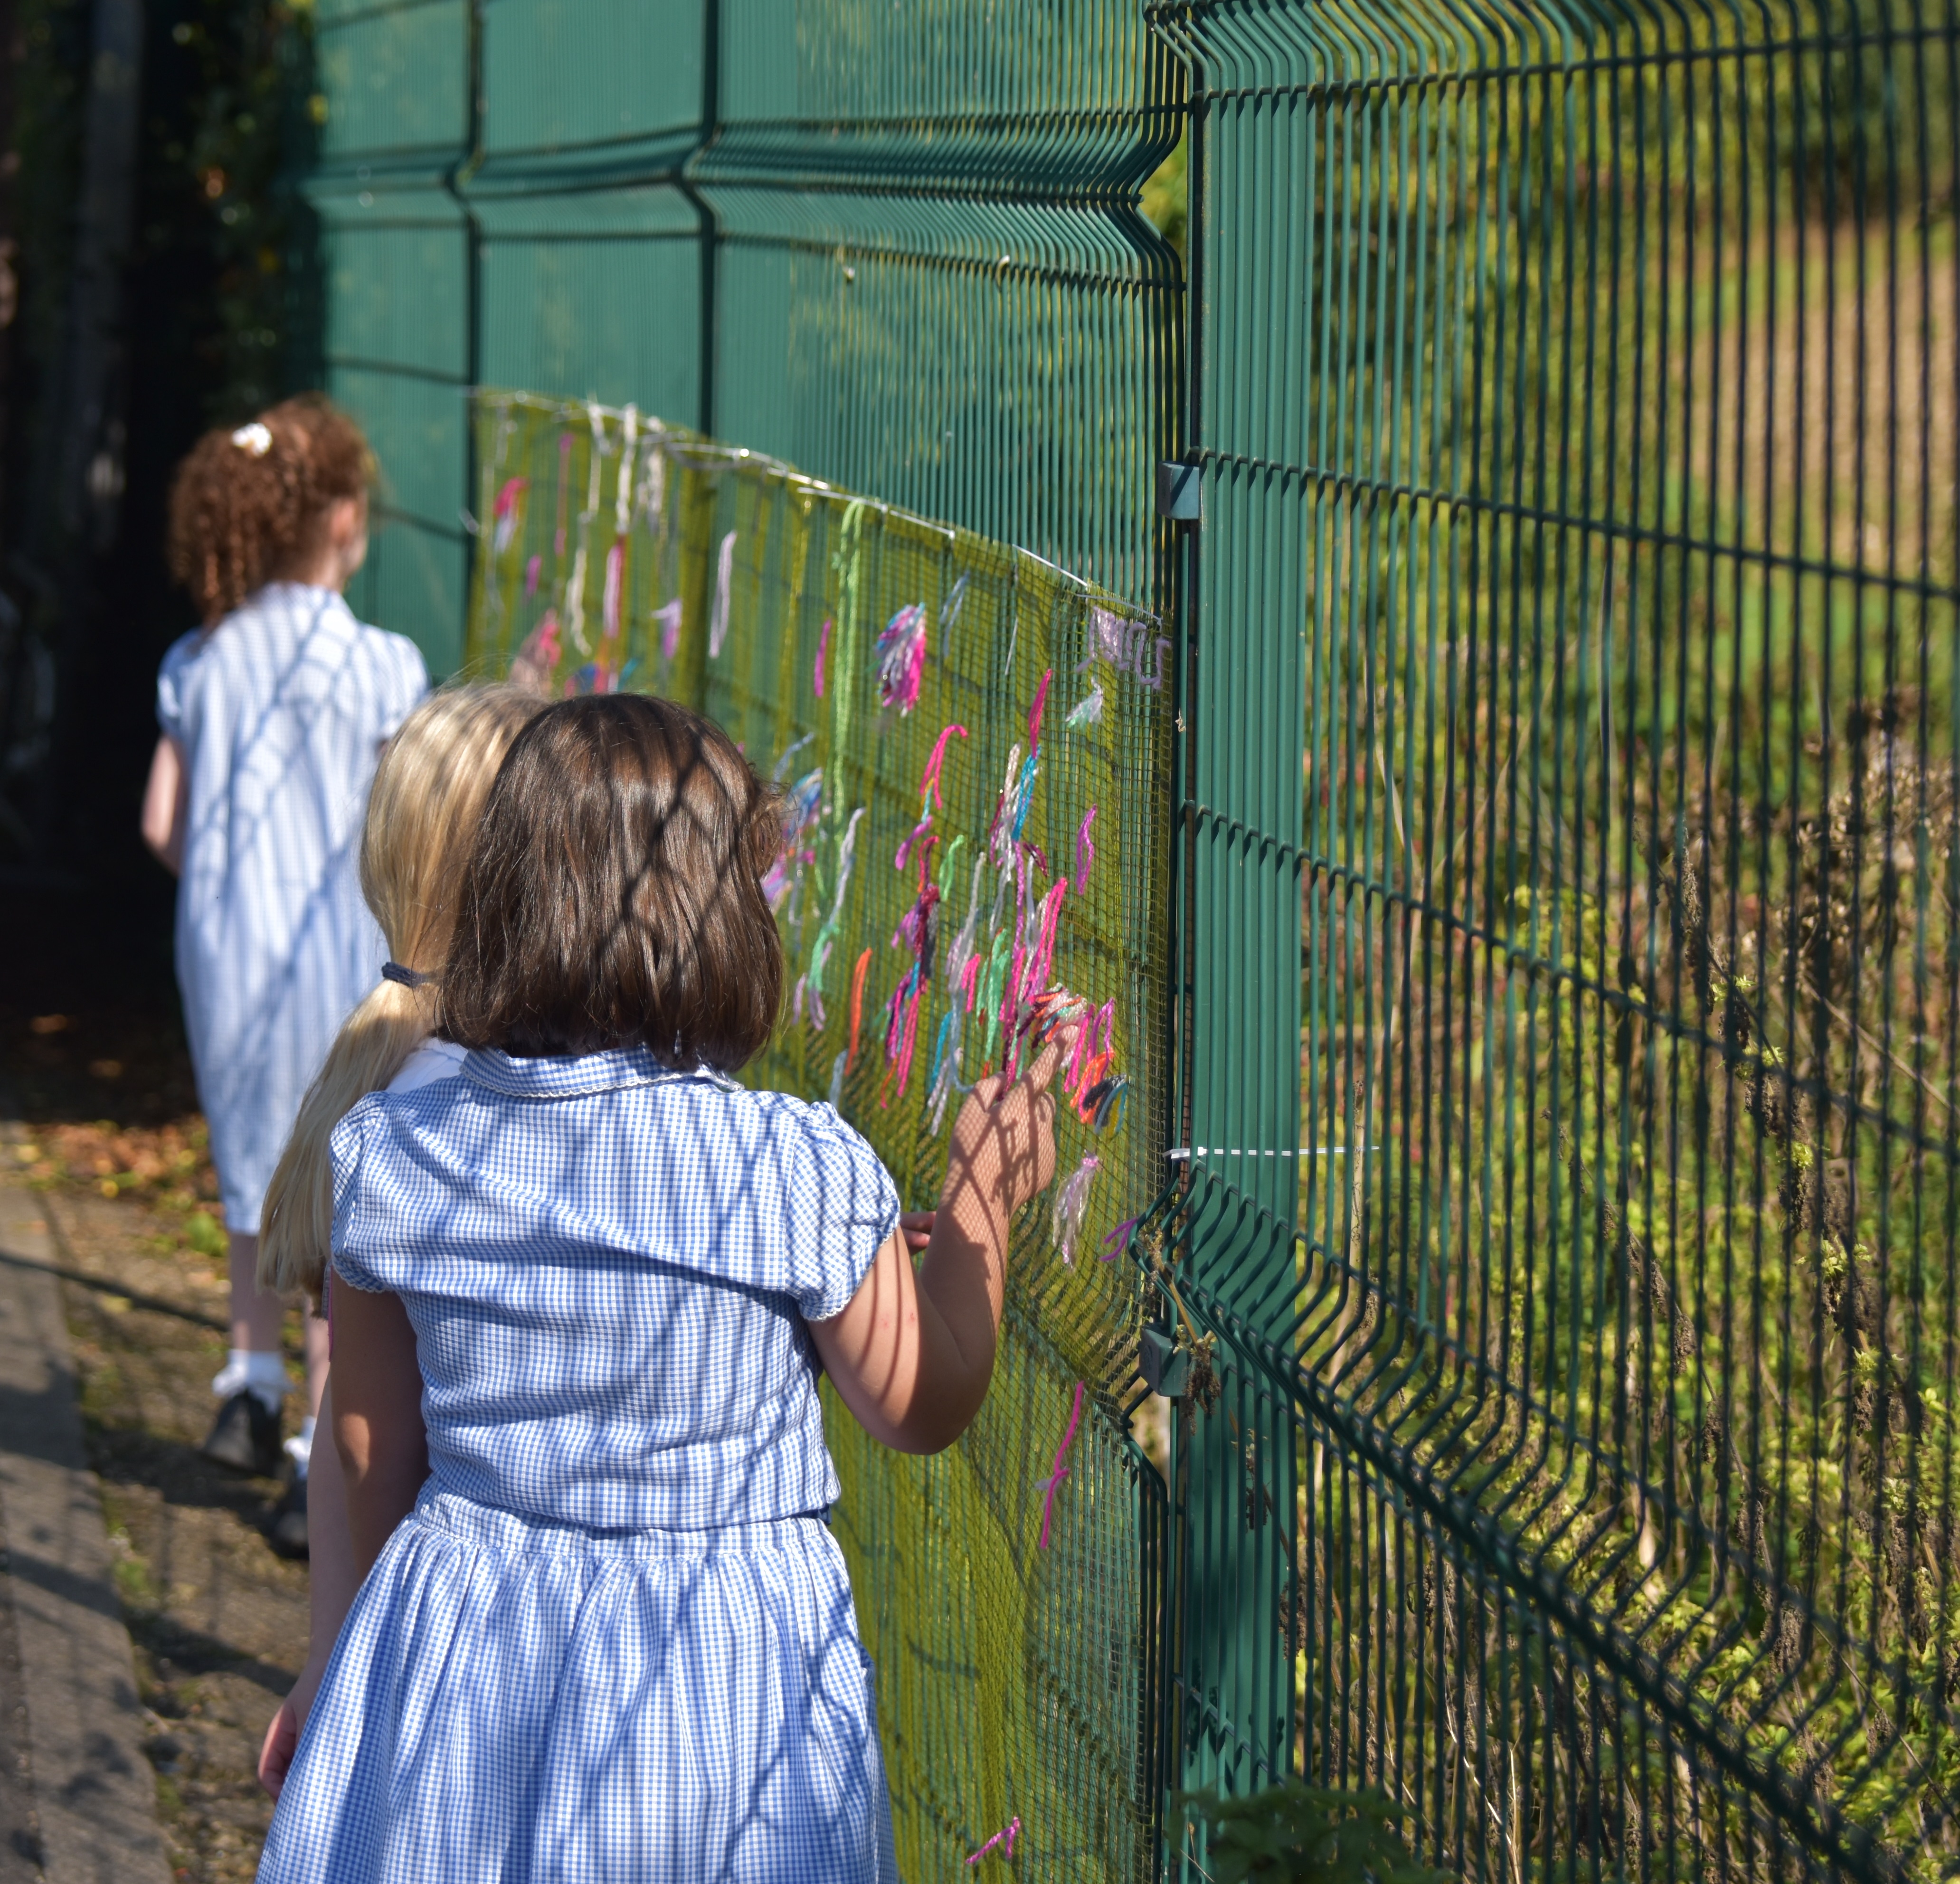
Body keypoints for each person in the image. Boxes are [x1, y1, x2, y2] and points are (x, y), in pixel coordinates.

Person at [256, 693, 1064, 1884]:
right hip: (722, 1692)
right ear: (717, 923)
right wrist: (984, 1200)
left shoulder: (398, 1151)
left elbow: (367, 1445)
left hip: (472, 1656)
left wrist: (335, 1657)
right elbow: (921, 1400)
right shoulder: (793, 1166)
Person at [141, 397, 428, 1554]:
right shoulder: (383, 662)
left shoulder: (198, 657)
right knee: (337, 1182)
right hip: (348, 959)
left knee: (249, 1159)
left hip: (227, 952)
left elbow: (162, 824)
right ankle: (321, 1441)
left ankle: (245, 1383)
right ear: (346, 519)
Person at [248, 683, 544, 1793]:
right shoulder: (465, 1112)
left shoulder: (381, 1077)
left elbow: (342, 1433)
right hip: (468, 1620)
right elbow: (369, 1445)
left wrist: (326, 1656)